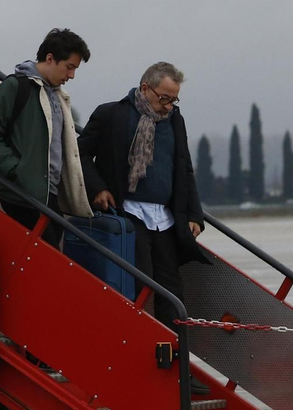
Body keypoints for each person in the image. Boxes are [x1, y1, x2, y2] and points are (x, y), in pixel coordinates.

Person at [79, 61, 211, 320]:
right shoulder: (111, 114)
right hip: (126, 213)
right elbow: (79, 154)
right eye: (164, 98)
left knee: (171, 289)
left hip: (165, 219)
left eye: (174, 100)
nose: (169, 106)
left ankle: (173, 349)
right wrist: (98, 188)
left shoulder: (175, 121)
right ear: (144, 88)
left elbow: (184, 168)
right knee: (138, 282)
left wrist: (195, 215)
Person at [0, 28, 94, 243]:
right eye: (69, 67)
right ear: (50, 58)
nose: (72, 75)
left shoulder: (58, 97)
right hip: (22, 194)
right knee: (45, 261)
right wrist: (19, 172)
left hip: (48, 195)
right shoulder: (14, 87)